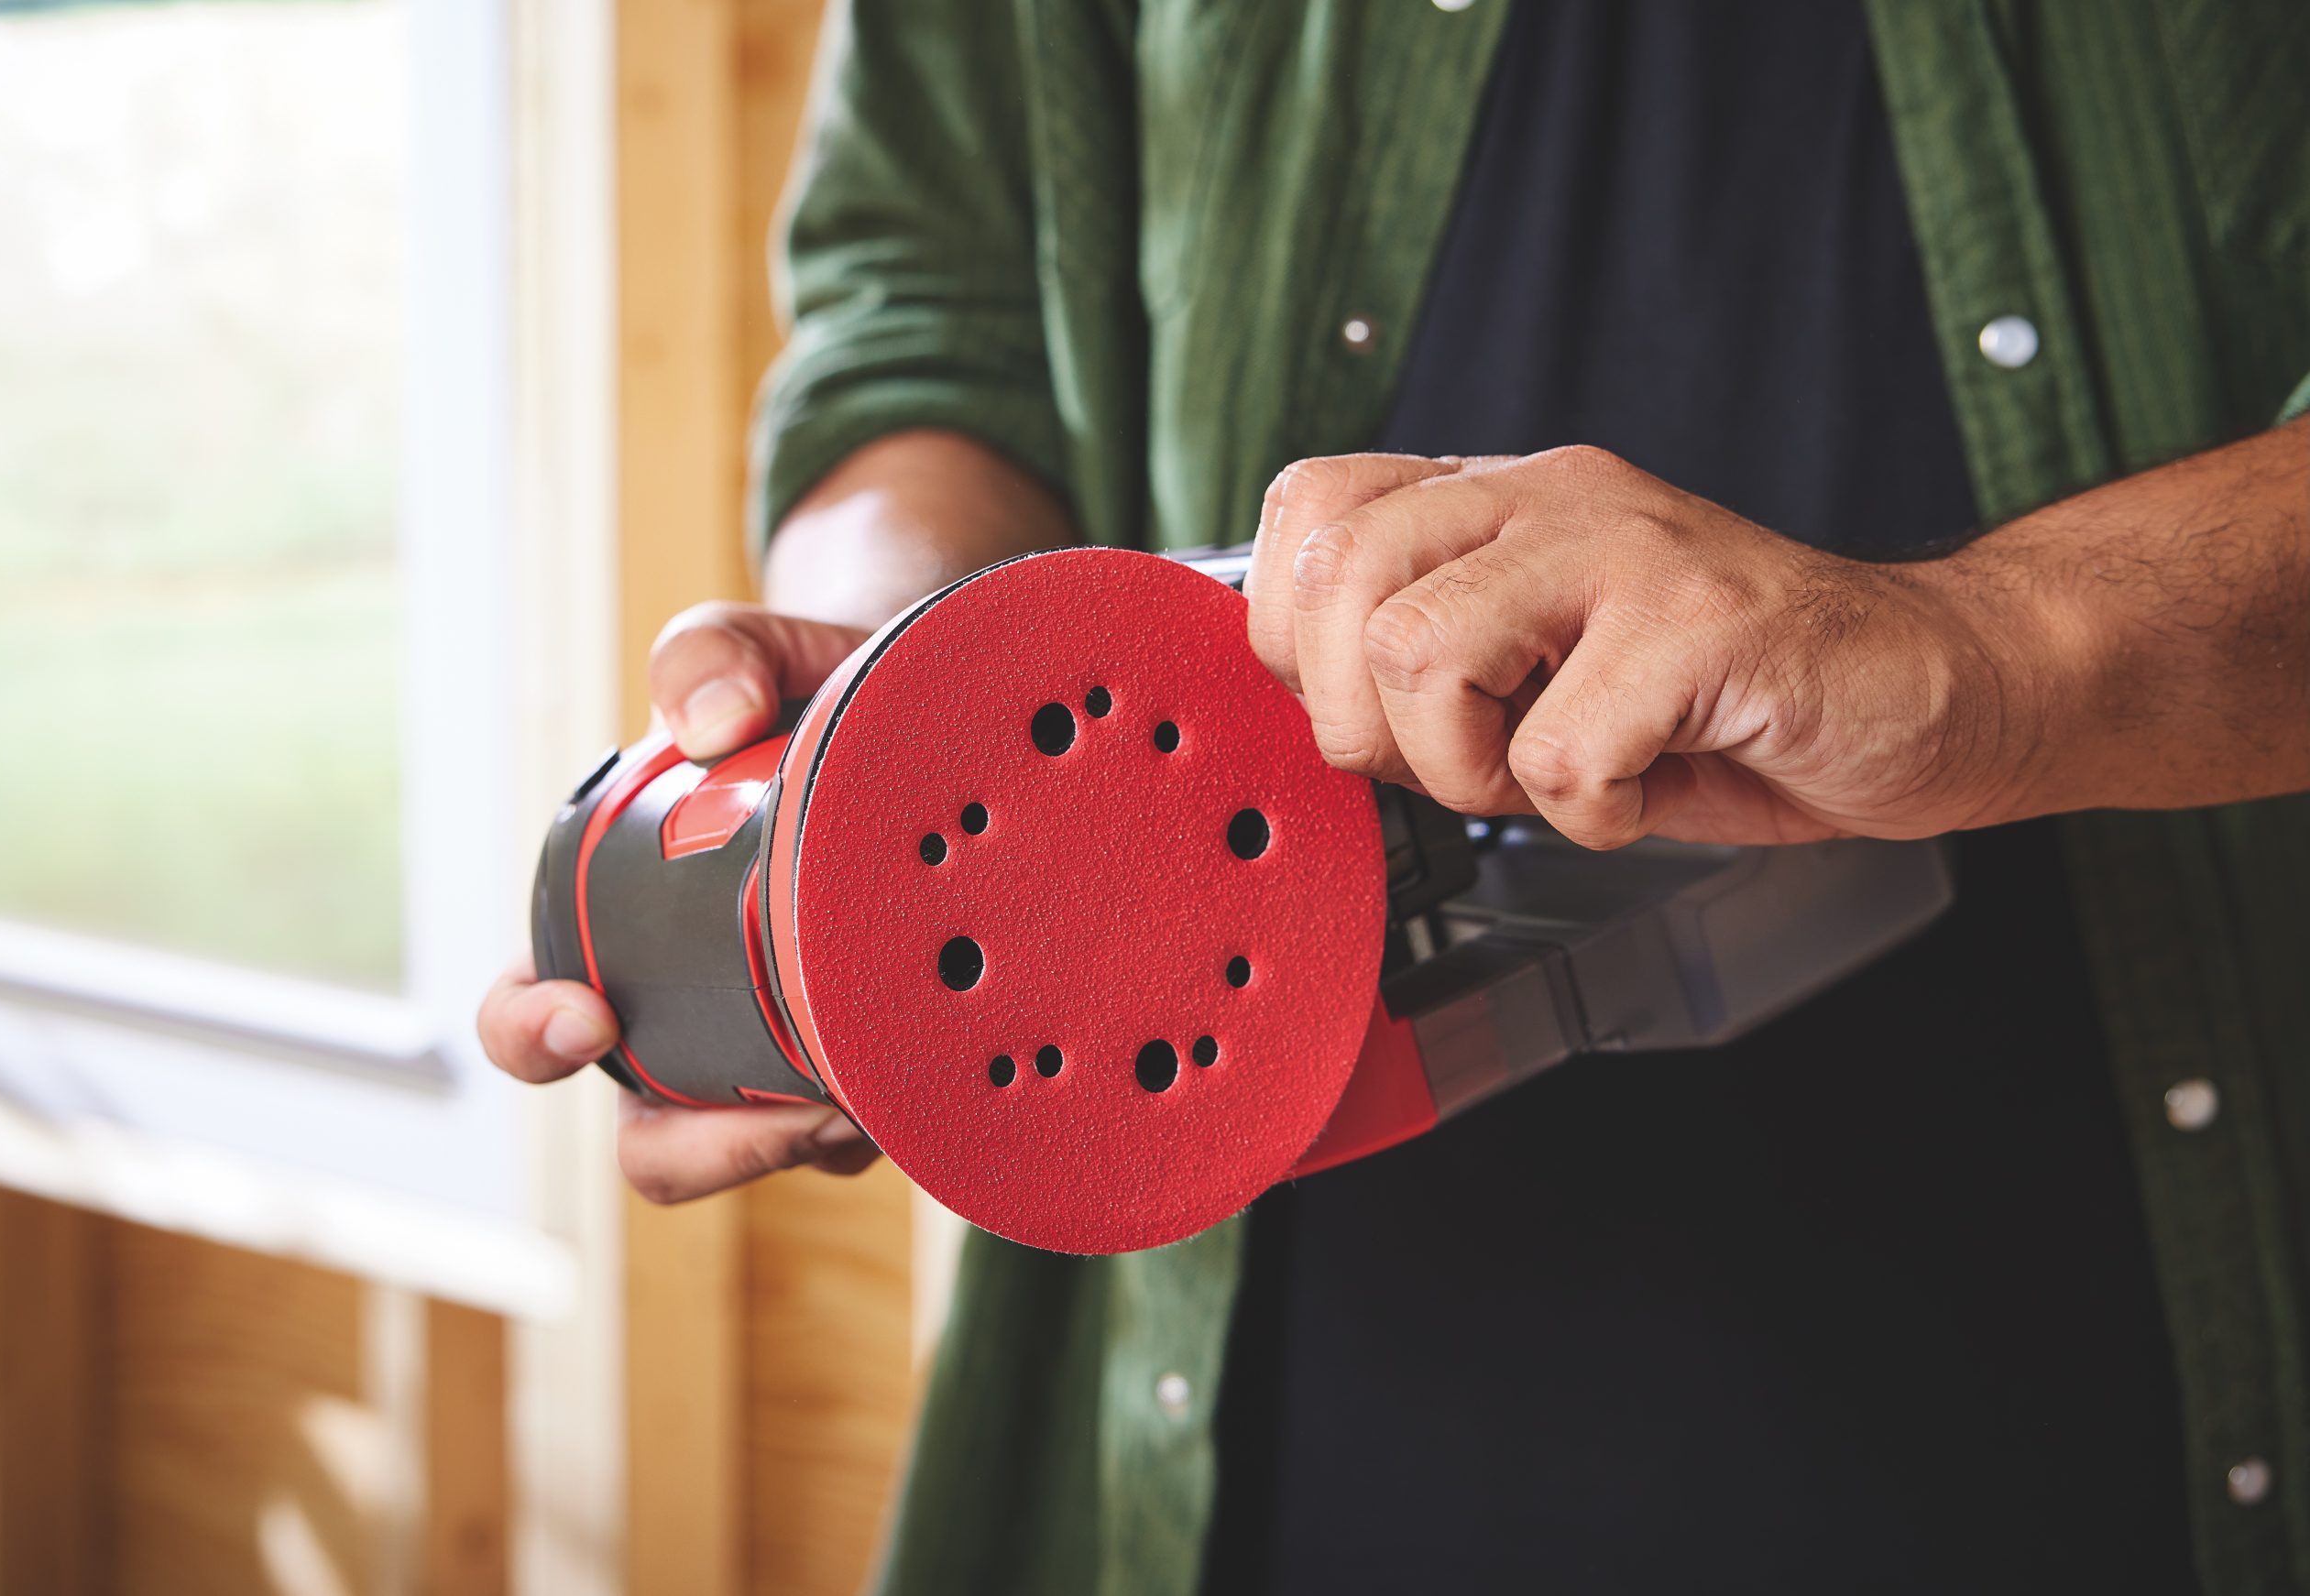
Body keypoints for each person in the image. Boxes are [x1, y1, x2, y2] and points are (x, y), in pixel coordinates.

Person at [479, 3, 2310, 1591]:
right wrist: (905, 752)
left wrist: (1978, 649)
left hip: (2117, 1398)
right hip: (1273, 1415)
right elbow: (927, 332)